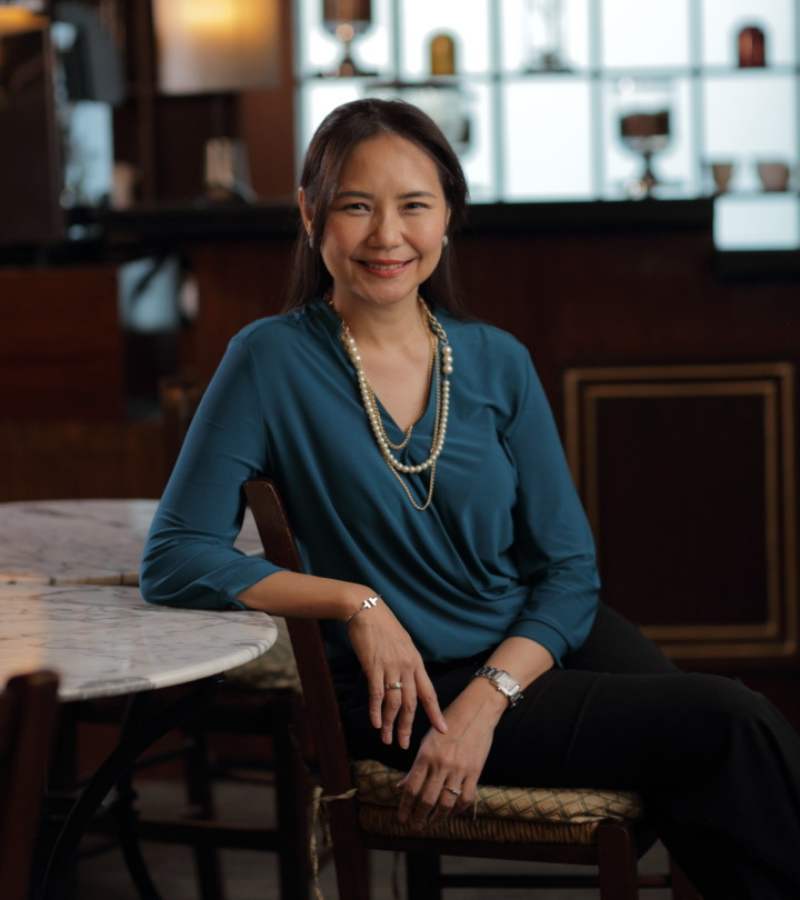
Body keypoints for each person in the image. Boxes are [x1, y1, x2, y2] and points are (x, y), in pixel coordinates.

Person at [141, 98, 800, 900]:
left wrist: (489, 702)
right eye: (357, 205)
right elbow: (176, 558)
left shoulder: (496, 360)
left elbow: (568, 572)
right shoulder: (269, 359)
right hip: (403, 690)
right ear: (312, 215)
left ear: (448, 215)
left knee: (725, 756)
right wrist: (357, 604)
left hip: (533, 642)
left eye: (414, 205)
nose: (388, 235)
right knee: (724, 730)